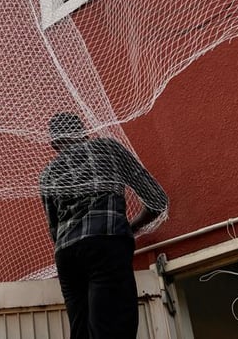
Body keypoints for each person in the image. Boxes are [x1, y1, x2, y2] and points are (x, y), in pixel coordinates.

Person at [39, 113, 168, 339]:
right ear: (84, 132)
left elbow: (54, 230)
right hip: (105, 241)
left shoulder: (48, 174)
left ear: (54, 143)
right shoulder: (107, 148)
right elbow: (157, 200)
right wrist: (133, 226)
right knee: (113, 327)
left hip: (67, 255)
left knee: (81, 330)